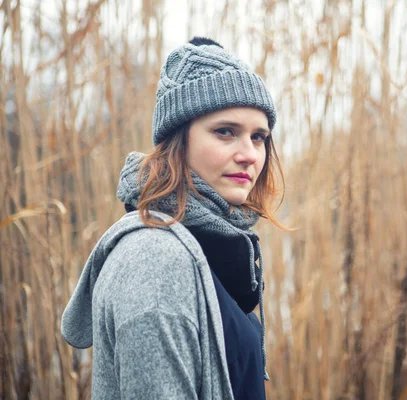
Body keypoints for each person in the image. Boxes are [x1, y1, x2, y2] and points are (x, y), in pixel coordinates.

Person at [61, 37, 285, 400]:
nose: (249, 155)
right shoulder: (155, 258)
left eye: (259, 137)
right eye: (225, 131)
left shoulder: (203, 245)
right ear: (178, 139)